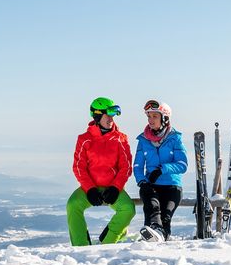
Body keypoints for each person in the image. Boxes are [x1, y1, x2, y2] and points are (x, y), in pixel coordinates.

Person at [66, 97, 135, 246]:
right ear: (97, 116)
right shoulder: (84, 139)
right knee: (73, 205)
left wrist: (116, 188)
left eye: (113, 115)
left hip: (112, 188)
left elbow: (126, 167)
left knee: (128, 208)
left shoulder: (120, 139)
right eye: (108, 114)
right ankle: (81, 246)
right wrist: (89, 189)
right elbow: (79, 167)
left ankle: (107, 242)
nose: (111, 119)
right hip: (90, 187)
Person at [133, 99, 188, 242]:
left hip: (172, 186)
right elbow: (137, 166)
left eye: (154, 116)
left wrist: (162, 169)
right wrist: (142, 181)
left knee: (165, 217)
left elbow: (183, 164)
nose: (150, 120)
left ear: (164, 118)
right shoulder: (143, 140)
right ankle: (154, 232)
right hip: (151, 185)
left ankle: (158, 237)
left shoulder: (175, 138)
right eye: (149, 116)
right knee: (151, 206)